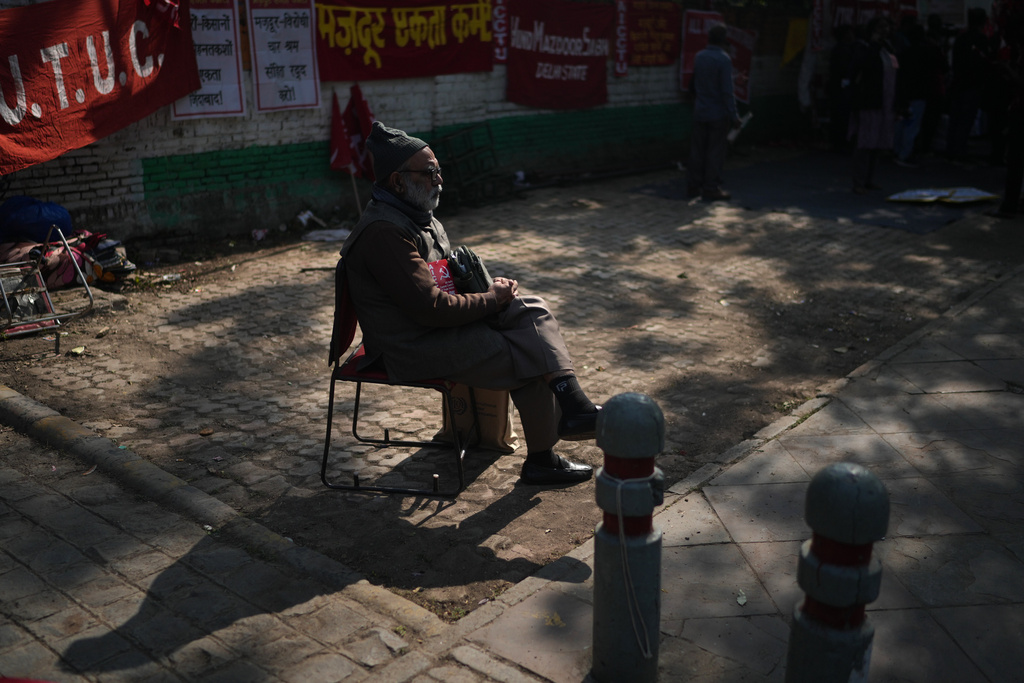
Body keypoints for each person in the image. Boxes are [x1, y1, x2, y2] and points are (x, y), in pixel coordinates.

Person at [338, 121, 600, 486]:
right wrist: (491, 300)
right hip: (410, 344)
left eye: (439, 171)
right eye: (429, 173)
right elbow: (429, 308)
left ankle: (573, 408)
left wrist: (483, 286)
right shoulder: (386, 232)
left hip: (437, 327)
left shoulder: (418, 217)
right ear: (398, 181)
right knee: (528, 353)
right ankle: (548, 450)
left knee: (531, 310)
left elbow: (444, 281)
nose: (439, 180)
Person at [687, 23, 742, 201]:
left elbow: (695, 84)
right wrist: (734, 116)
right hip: (717, 114)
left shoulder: (699, 57)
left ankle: (694, 185)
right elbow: (727, 91)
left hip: (700, 111)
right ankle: (711, 188)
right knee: (714, 152)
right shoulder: (724, 60)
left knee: (697, 151)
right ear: (723, 41)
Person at [849, 16, 900, 194]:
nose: (885, 30)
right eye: (881, 27)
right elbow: (864, 67)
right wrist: (874, 44)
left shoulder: (888, 48)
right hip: (870, 102)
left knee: (876, 144)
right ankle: (858, 181)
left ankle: (869, 180)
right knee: (865, 143)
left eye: (887, 27)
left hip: (885, 101)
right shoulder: (865, 48)